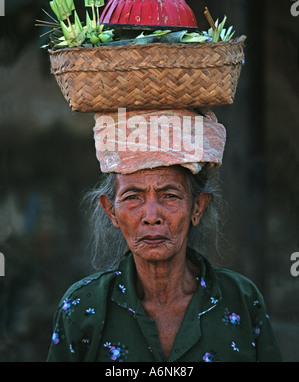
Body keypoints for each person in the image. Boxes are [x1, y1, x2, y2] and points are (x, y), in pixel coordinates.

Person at [47, 109, 282, 362]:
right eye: (132, 197)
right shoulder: (82, 306)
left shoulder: (241, 300)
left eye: (169, 195)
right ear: (111, 211)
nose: (151, 216)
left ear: (197, 207)